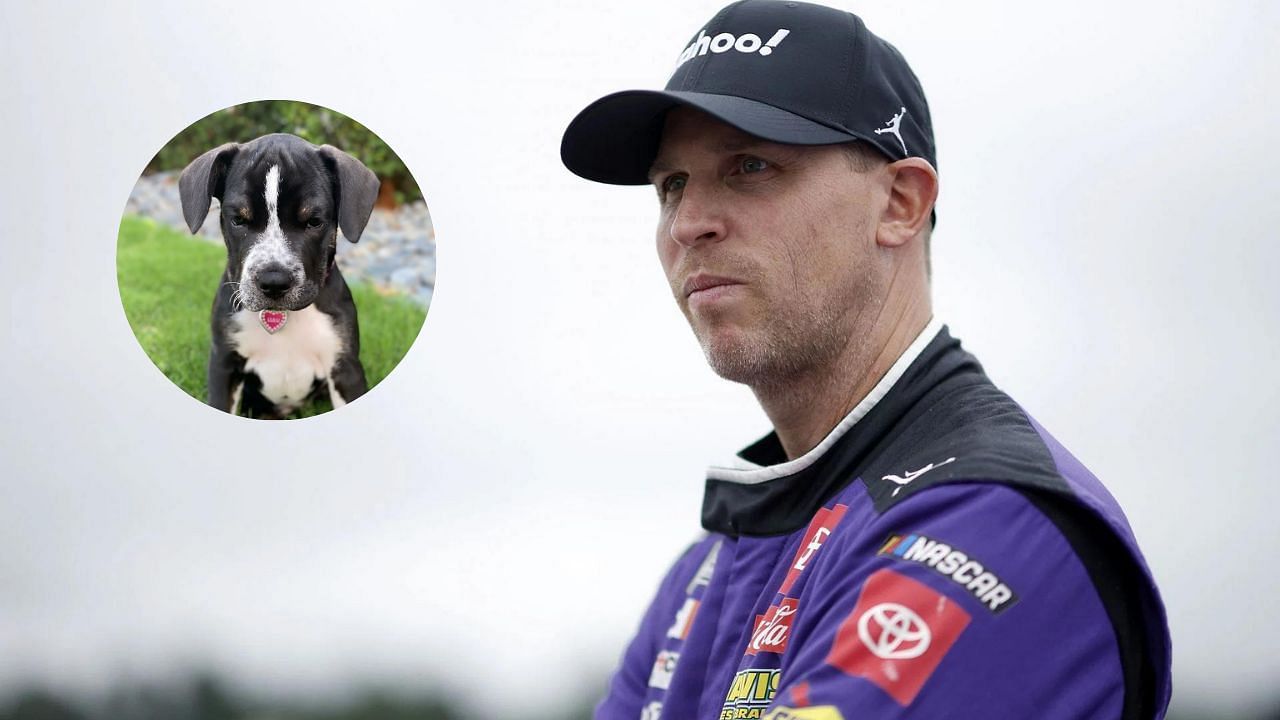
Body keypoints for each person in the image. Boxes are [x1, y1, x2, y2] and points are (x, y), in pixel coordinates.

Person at [559, 1, 1172, 719]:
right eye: (672, 186)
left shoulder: (989, 523)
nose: (689, 224)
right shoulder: (708, 567)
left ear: (900, 205)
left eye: (749, 166)